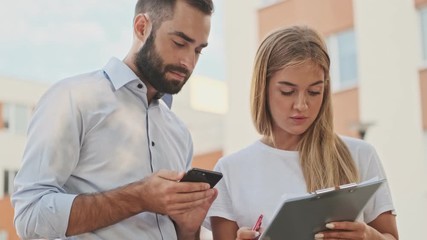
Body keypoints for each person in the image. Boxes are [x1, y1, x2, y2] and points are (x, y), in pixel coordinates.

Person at [12, 0, 217, 239]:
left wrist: (187, 229)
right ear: (142, 28)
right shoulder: (74, 98)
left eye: (198, 50)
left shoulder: (179, 133)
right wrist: (139, 197)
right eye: (179, 43)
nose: (189, 62)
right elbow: (30, 216)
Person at [206, 26, 398, 240]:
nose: (302, 105)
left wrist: (369, 236)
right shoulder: (231, 171)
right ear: (263, 88)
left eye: (314, 91)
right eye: (287, 92)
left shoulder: (360, 155)